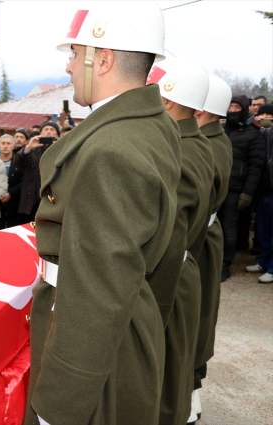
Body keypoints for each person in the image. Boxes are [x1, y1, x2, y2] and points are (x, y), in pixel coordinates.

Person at [24, 4, 181, 425]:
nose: (69, 66)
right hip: (122, 332)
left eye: (75, 54)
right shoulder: (149, 124)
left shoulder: (111, 149)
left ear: (104, 59)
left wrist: (59, 404)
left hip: (94, 364)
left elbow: (95, 289)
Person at [144, 58, 214, 425]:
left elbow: (170, 237)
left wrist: (150, 310)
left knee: (164, 389)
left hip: (167, 281)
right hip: (181, 271)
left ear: (167, 101)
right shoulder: (195, 144)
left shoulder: (180, 153)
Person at [189, 75, 234, 423]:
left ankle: (188, 394)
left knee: (194, 318)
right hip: (205, 236)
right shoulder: (215, 139)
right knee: (199, 315)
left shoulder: (204, 144)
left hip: (198, 241)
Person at [218, 95, 265, 281]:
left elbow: (256, 166)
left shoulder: (253, 134)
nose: (232, 110)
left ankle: (224, 265)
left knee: (229, 229)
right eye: (230, 106)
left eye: (237, 107)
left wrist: (247, 192)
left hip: (234, 189)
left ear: (244, 110)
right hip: (216, 187)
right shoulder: (220, 130)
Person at [246, 103, 273, 283]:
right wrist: (252, 125)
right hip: (263, 190)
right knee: (263, 231)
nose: (264, 117)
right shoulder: (261, 133)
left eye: (268, 115)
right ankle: (264, 262)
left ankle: (272, 268)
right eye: (262, 114)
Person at [14, 121, 60, 223]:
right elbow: (17, 161)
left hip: (51, 194)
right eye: (46, 129)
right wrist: (28, 147)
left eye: (52, 130)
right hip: (32, 196)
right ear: (41, 134)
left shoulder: (62, 148)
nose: (48, 132)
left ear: (58, 135)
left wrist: (59, 147)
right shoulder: (33, 149)